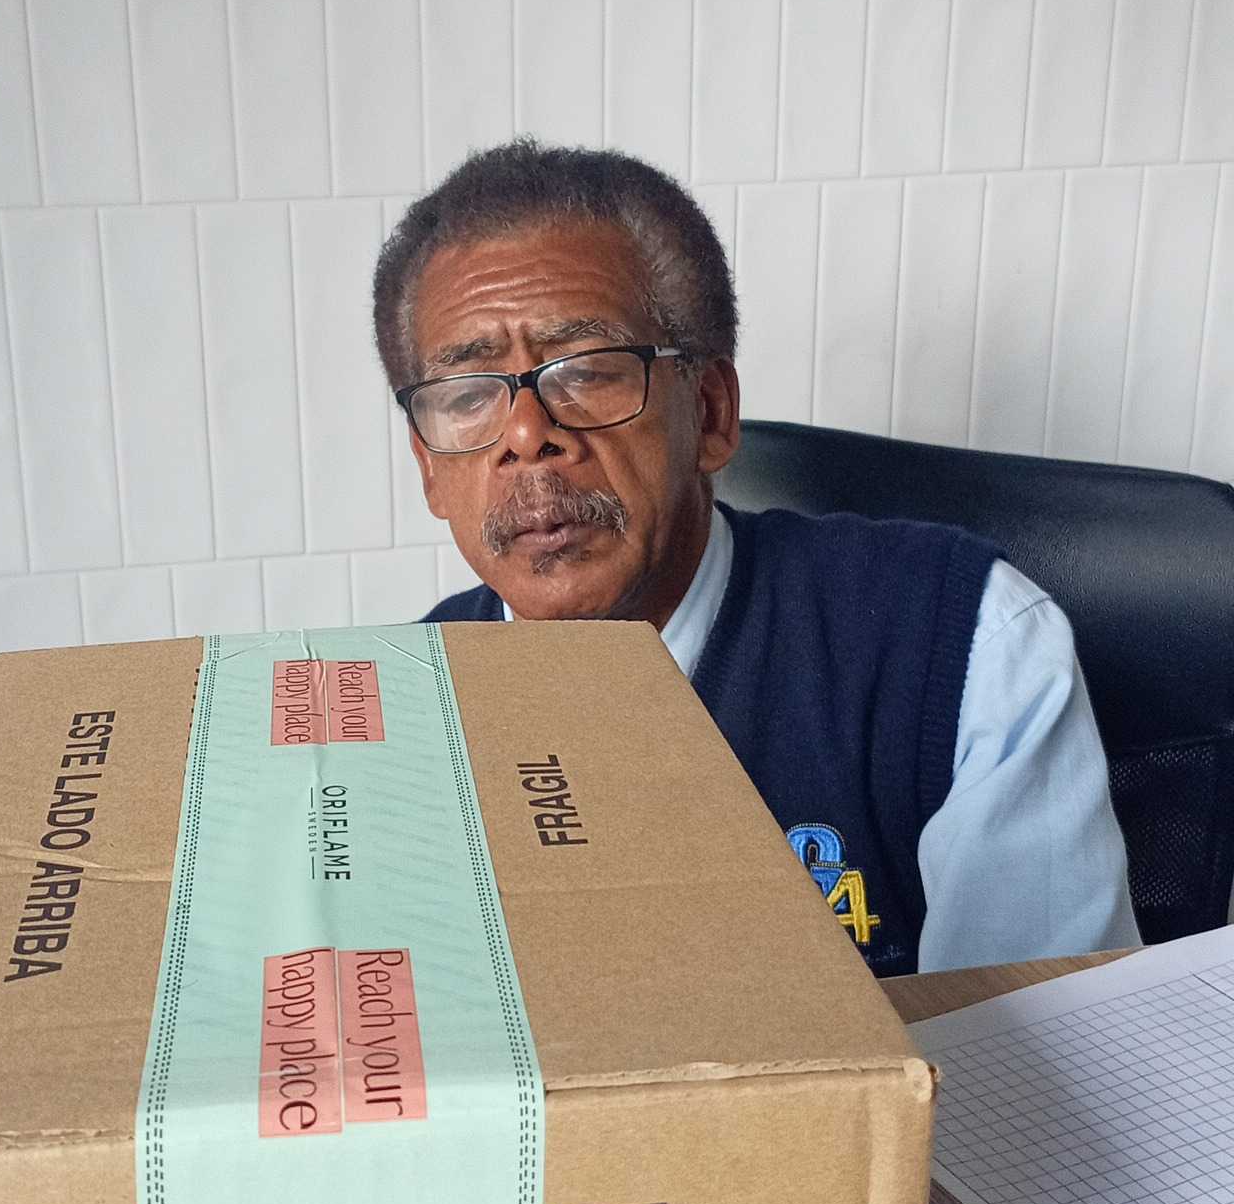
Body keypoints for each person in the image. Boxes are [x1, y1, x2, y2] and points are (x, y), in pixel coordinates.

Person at [372, 140, 1139, 980]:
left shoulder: (965, 644)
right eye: (467, 396)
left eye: (586, 372)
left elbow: (1030, 1050)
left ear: (709, 414)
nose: (527, 436)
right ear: (428, 467)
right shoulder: (392, 720)